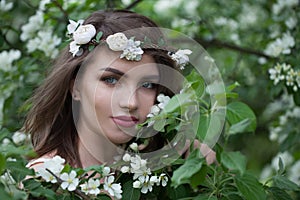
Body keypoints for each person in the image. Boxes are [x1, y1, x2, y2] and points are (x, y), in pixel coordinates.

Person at [23, 10, 215, 170]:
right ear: (76, 87)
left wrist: (195, 175)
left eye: (147, 85)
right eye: (111, 80)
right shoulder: (45, 181)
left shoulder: (157, 172)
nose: (130, 102)